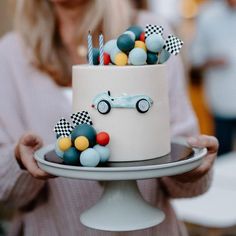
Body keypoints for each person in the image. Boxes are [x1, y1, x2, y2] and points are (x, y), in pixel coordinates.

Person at [0, 0, 218, 235]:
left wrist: (191, 168)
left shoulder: (151, 34)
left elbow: (180, 157)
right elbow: (4, 188)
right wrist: (20, 160)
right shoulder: (11, 53)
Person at [190, 0, 236, 156]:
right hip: (221, 98)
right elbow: (195, 57)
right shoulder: (207, 15)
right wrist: (213, 61)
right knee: (222, 150)